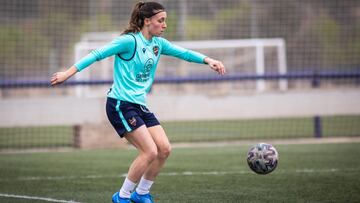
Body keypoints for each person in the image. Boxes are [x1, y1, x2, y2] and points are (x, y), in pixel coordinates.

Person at [51, 1, 225, 203]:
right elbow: (96, 54)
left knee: (164, 149)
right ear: (147, 21)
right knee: (149, 151)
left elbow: (184, 53)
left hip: (139, 105)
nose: (164, 25)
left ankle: (141, 193)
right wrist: (67, 73)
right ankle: (122, 197)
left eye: (165, 21)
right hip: (120, 104)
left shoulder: (158, 44)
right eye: (161, 20)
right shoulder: (129, 41)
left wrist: (208, 60)